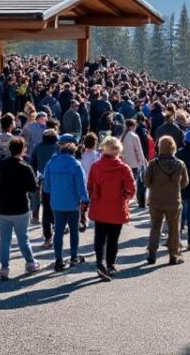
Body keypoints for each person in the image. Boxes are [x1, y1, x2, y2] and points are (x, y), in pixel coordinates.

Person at [87, 135, 135, 280]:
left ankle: (99, 263)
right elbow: (131, 190)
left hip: (100, 205)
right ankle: (111, 265)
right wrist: (124, 197)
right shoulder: (123, 168)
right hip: (116, 207)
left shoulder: (96, 166)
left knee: (99, 237)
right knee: (113, 239)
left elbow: (90, 186)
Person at [0, 137, 42, 280]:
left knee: (5, 240)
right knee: (23, 239)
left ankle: (4, 268)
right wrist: (38, 181)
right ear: (23, 150)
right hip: (20, 206)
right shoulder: (25, 167)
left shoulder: (1, 165)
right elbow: (32, 188)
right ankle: (30, 263)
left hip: (2, 206)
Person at [43, 134, 89, 271]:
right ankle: (74, 256)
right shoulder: (76, 164)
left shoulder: (51, 163)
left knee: (58, 231)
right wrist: (85, 200)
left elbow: (46, 187)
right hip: (72, 203)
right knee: (74, 230)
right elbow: (82, 186)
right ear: (73, 151)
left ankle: (58, 259)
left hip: (56, 202)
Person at [143, 135, 188, 265]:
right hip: (173, 200)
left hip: (156, 200)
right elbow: (185, 183)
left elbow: (146, 182)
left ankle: (152, 253)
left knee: (155, 226)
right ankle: (173, 254)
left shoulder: (153, 164)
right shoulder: (180, 164)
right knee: (174, 228)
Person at [121, 118, 147, 207]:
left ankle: (125, 200)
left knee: (126, 183)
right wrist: (142, 162)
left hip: (125, 163)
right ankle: (141, 201)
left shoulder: (122, 137)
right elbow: (139, 151)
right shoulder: (134, 136)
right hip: (135, 164)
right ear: (133, 126)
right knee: (140, 183)